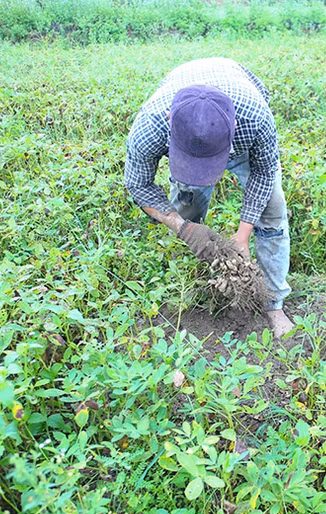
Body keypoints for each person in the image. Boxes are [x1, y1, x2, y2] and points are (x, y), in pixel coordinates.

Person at [124, 58, 293, 337]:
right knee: (186, 209)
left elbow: (264, 174)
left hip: (243, 137)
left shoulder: (256, 119)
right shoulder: (150, 127)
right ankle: (203, 281)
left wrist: (242, 235)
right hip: (183, 122)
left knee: (272, 214)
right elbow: (139, 184)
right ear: (169, 119)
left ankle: (273, 303)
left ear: (235, 124)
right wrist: (184, 228)